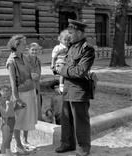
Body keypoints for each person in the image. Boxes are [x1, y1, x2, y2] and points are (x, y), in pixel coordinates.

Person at [54, 19, 95, 156]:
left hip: (79, 91)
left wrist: (62, 70)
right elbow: (66, 65)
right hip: (67, 89)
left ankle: (83, 149)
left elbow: (80, 71)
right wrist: (57, 67)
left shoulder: (87, 49)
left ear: (78, 32)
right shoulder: (71, 46)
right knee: (66, 119)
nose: (68, 36)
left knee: (80, 122)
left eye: (71, 33)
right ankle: (67, 144)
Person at [6, 34, 38, 155]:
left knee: (27, 118)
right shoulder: (11, 61)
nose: (26, 45)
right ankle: (18, 145)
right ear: (16, 45)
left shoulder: (24, 57)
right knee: (18, 120)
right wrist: (16, 98)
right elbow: (13, 82)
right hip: (21, 93)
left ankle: (24, 142)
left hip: (30, 90)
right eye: (23, 43)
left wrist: (32, 76)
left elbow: (28, 73)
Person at [0, 85, 24, 156]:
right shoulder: (1, 105)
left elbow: (12, 110)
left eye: (8, 97)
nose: (6, 99)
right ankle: (3, 154)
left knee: (9, 140)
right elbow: (5, 115)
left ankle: (8, 152)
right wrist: (8, 106)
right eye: (4, 97)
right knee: (5, 141)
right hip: (6, 125)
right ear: (0, 97)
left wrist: (18, 107)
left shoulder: (10, 102)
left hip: (12, 123)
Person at [50, 29, 70, 94]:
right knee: (63, 73)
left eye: (68, 40)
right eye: (65, 40)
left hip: (66, 62)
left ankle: (67, 85)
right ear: (60, 39)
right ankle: (61, 85)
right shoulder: (58, 47)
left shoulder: (69, 47)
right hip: (60, 63)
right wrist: (52, 64)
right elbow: (54, 56)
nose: (66, 41)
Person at [26, 42, 42, 121]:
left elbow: (39, 75)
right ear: (28, 50)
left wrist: (36, 76)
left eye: (36, 50)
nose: (34, 52)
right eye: (32, 50)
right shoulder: (25, 60)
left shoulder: (38, 61)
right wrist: (32, 76)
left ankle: (38, 120)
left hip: (37, 86)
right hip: (29, 86)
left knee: (37, 104)